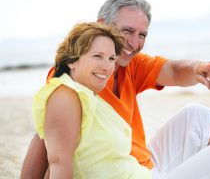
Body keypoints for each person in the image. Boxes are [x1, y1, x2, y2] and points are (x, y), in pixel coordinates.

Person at [21, 0, 210, 178]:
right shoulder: (75, 79)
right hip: (125, 172)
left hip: (144, 166)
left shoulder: (129, 64)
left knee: (199, 115)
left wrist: (197, 68)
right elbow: (48, 139)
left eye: (142, 35)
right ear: (102, 24)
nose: (134, 42)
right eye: (127, 31)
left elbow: (173, 70)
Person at [31, 22, 152, 178]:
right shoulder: (65, 96)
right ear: (71, 60)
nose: (107, 67)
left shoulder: (88, 94)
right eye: (97, 56)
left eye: (111, 58)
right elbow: (58, 162)